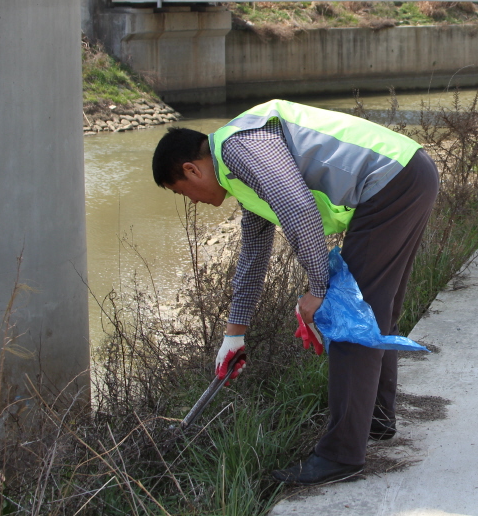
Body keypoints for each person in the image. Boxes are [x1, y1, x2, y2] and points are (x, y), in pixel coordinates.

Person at [152, 100, 439, 486]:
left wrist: (319, 290)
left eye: (183, 191)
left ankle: (340, 456)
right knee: (371, 312)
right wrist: (233, 335)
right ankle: (375, 419)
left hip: (390, 183)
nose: (193, 200)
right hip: (404, 176)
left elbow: (299, 208)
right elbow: (254, 257)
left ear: (191, 169)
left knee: (346, 319)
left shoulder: (239, 147)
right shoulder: (243, 177)